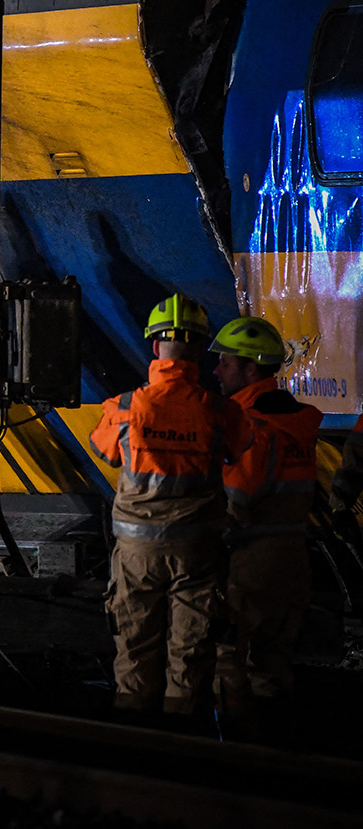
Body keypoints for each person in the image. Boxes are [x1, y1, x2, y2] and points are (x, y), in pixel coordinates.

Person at [90, 293, 250, 726]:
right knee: (191, 650)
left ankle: (135, 743)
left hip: (137, 554)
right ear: (199, 350)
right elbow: (240, 447)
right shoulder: (221, 412)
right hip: (199, 554)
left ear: (155, 346)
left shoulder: (123, 409)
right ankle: (180, 741)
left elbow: (103, 449)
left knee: (135, 648)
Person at [212, 316, 320, 737]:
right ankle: (277, 748)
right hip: (293, 556)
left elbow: (238, 500)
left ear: (250, 369)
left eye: (225, 363)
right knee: (272, 661)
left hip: (251, 560)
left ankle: (237, 748)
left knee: (226, 654)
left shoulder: (253, 426)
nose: (217, 371)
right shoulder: (297, 423)